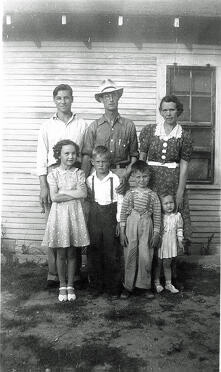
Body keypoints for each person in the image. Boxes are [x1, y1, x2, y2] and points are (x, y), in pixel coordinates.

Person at [37, 84, 88, 288]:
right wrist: (43, 185)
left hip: (75, 174)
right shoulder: (47, 126)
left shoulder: (81, 124)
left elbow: (84, 153)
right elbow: (41, 156)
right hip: (53, 176)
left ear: (72, 99)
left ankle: (73, 276)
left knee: (73, 225)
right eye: (59, 98)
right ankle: (54, 273)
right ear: (54, 100)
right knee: (55, 226)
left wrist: (81, 177)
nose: (63, 101)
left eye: (66, 98)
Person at [139, 95, 193, 285]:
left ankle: (169, 274)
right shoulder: (149, 131)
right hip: (152, 181)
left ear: (178, 111)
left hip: (172, 182)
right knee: (152, 223)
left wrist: (180, 191)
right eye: (165, 109)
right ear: (160, 111)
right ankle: (150, 274)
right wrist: (140, 184)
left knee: (171, 224)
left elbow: (184, 166)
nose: (168, 113)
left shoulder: (184, 135)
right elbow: (141, 161)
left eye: (172, 109)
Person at [42, 140, 90, 302]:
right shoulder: (53, 174)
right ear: (59, 155)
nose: (70, 156)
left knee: (72, 252)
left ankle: (71, 284)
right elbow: (54, 197)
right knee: (61, 252)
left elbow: (83, 194)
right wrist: (71, 192)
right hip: (59, 216)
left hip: (74, 216)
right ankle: (62, 284)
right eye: (66, 153)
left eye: (73, 153)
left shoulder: (79, 173)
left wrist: (64, 191)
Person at [81, 78, 138, 194]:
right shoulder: (94, 126)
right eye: (106, 96)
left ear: (118, 97)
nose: (111, 99)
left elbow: (134, 156)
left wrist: (126, 175)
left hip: (121, 173)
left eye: (113, 95)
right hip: (98, 175)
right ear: (101, 99)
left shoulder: (129, 125)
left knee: (121, 209)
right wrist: (83, 182)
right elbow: (87, 157)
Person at [119, 161, 161, 299]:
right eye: (138, 177)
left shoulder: (153, 196)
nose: (141, 180)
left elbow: (157, 215)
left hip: (146, 226)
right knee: (130, 254)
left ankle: (144, 286)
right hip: (131, 225)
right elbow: (123, 213)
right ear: (133, 177)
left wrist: (156, 233)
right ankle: (128, 286)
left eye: (144, 177)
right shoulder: (129, 194)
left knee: (146, 255)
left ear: (149, 177)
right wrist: (122, 231)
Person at [86, 146, 123, 299]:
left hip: (110, 217)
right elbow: (87, 203)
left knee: (111, 253)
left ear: (110, 162)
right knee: (94, 252)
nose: (101, 165)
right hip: (94, 218)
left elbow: (120, 201)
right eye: (98, 161)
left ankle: (113, 288)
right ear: (92, 162)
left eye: (104, 162)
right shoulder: (89, 180)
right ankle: (96, 287)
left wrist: (119, 222)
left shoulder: (115, 179)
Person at [154, 193, 184, 294]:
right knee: (158, 264)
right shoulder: (159, 217)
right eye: (165, 203)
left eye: (171, 202)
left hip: (170, 244)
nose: (169, 205)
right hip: (160, 244)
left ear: (174, 203)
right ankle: (157, 283)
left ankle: (168, 284)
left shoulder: (177, 216)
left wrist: (180, 240)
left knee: (167, 264)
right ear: (161, 205)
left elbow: (179, 229)